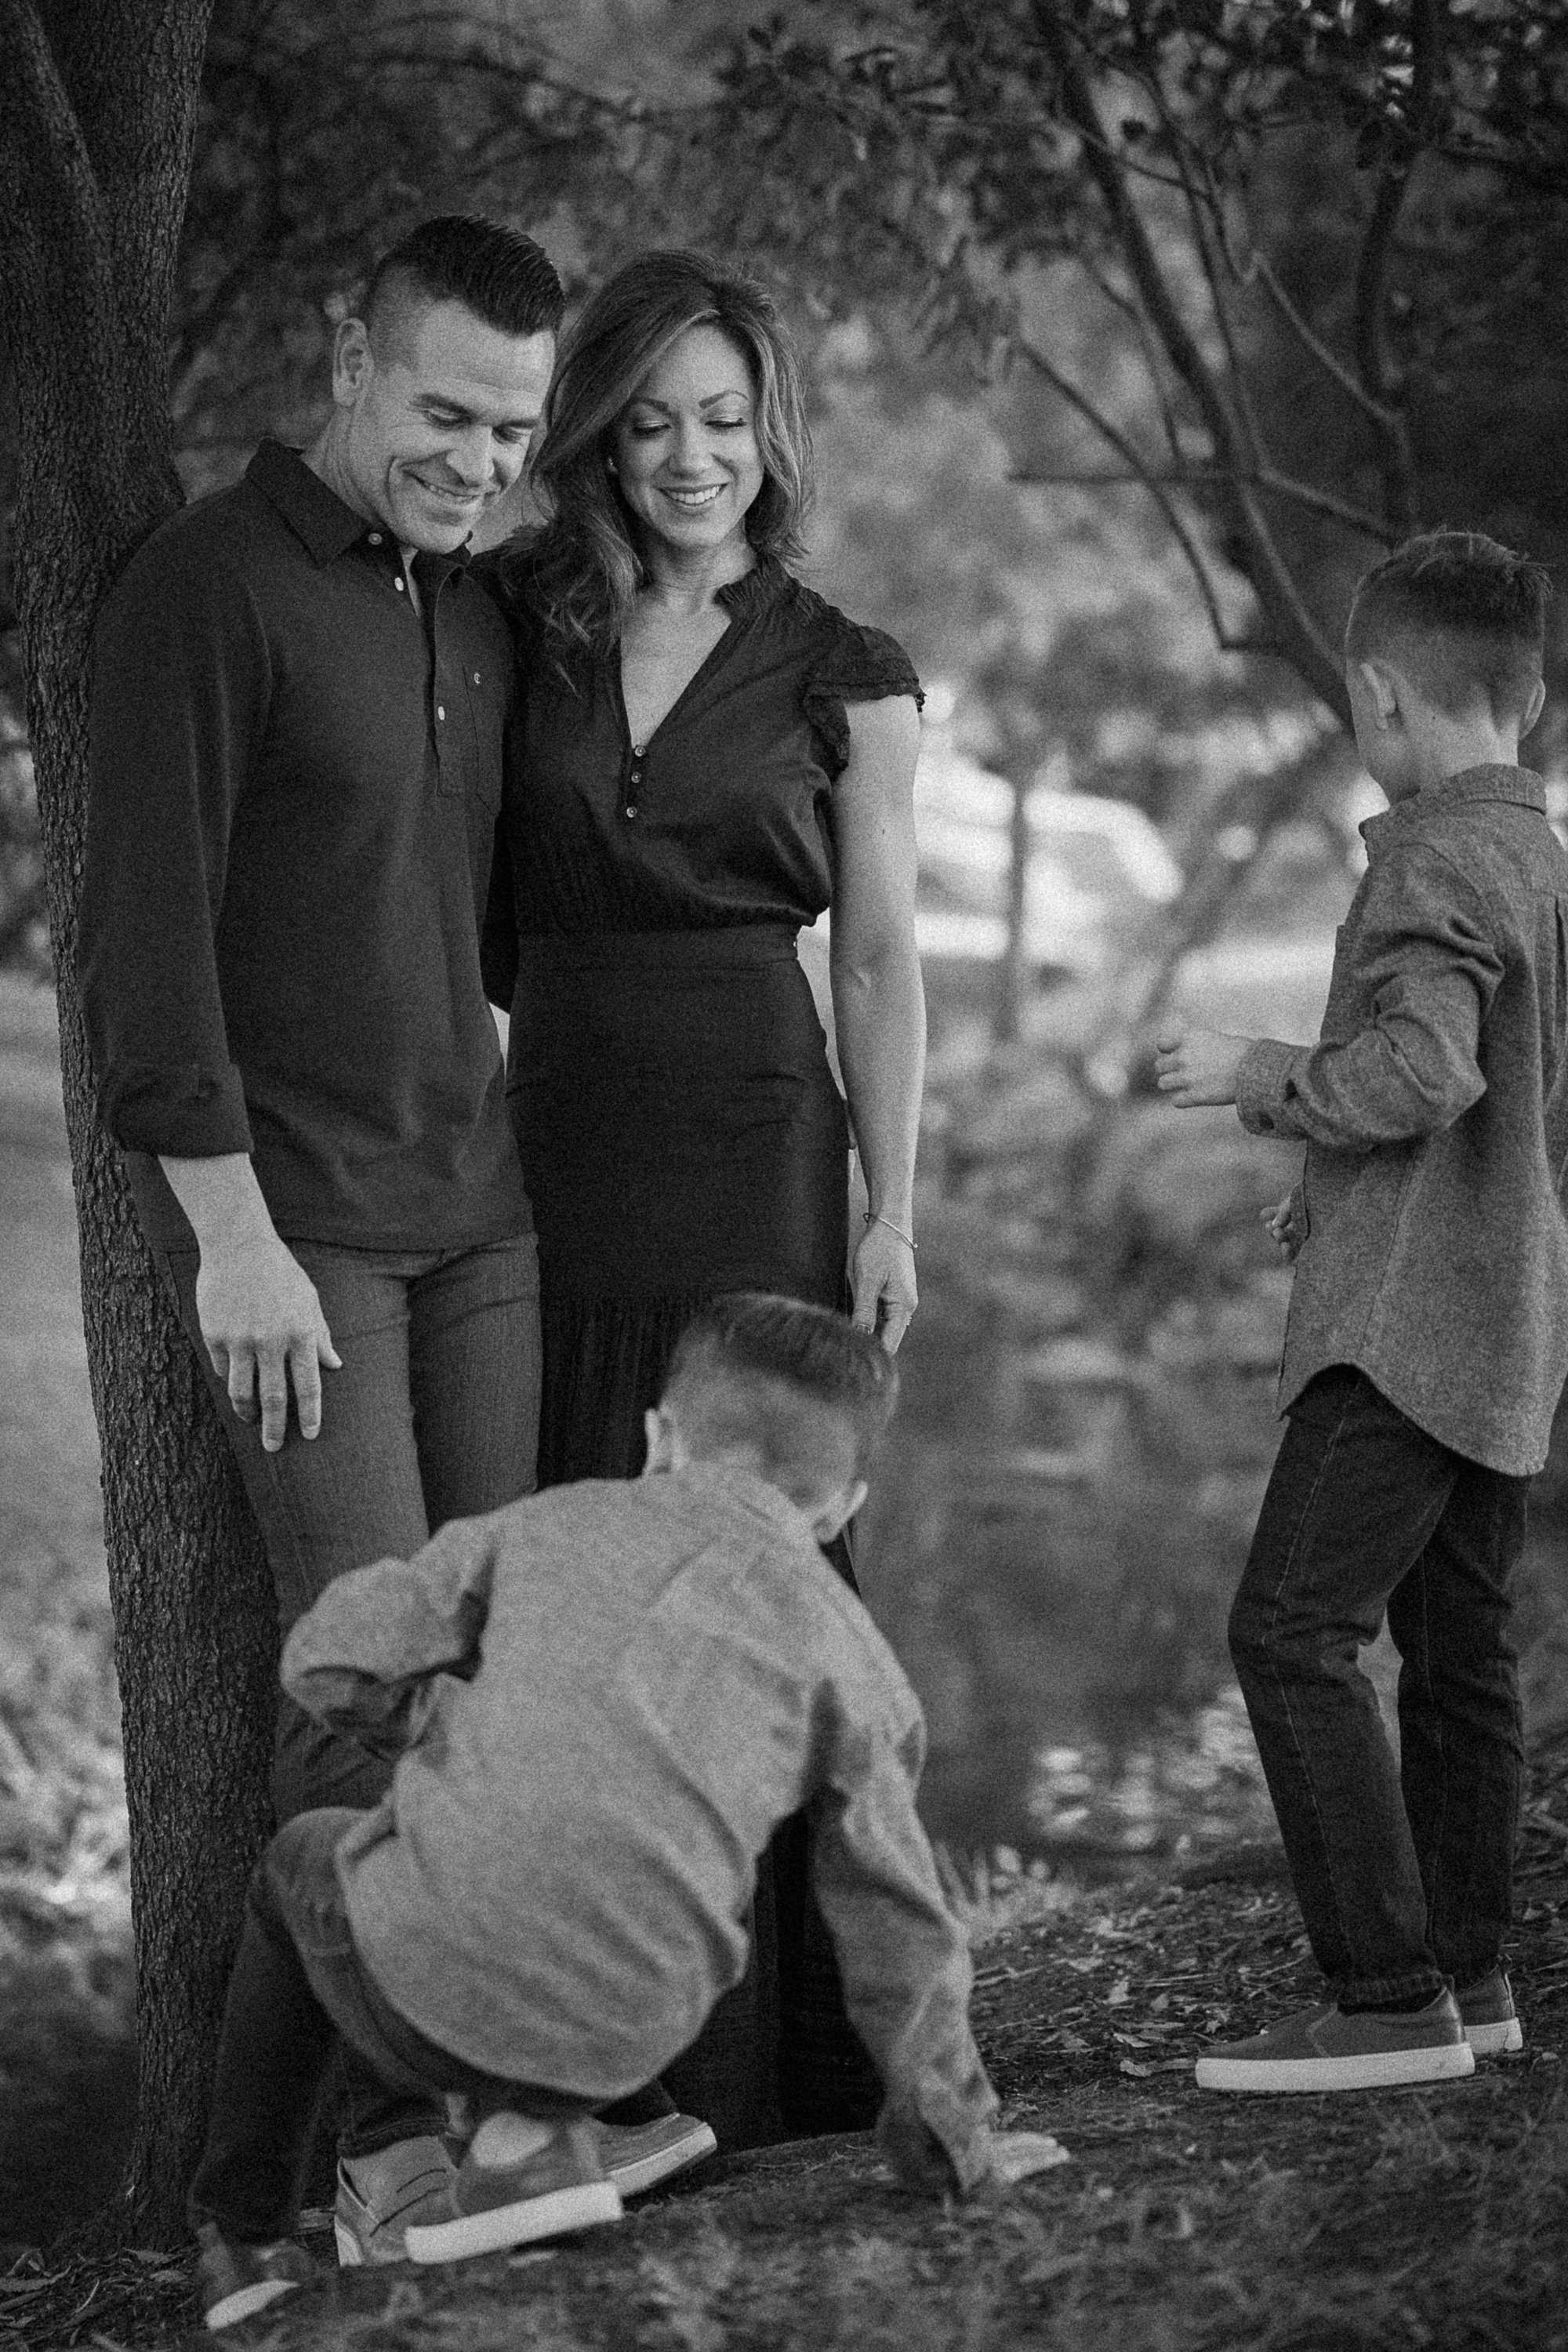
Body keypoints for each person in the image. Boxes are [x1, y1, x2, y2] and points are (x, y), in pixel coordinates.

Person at [77, 216, 570, 2259]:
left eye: (513, 429)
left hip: (478, 1221)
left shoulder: (469, 610)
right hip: (308, 1244)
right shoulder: (210, 584)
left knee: (487, 1680)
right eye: (445, 411)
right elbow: (141, 948)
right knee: (363, 1691)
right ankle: (328, 2176)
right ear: (346, 364)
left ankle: (441, 2128)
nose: (476, 459)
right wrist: (230, 1237)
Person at [185, 1294, 1069, 2332]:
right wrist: (955, 2146)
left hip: (431, 1981)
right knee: (614, 1883)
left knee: (304, 1859)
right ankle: (534, 2145)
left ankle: (239, 2240)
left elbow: (326, 1656)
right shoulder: (861, 1666)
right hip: (640, 2029)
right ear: (840, 1507)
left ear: (657, 1437)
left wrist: (442, 1729)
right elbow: (900, 1927)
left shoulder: (545, 1524)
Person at [481, 251, 927, 2147]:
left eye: (724, 421)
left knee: (744, 1588)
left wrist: (894, 1206)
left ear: (772, 436)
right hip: (553, 1136)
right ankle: (594, 2049)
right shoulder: (515, 619)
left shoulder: (845, 665)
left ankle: (776, 2070)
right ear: (595, 427)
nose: (687, 457)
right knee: (580, 1572)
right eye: (650, 418)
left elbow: (889, 957)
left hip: (762, 1139)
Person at [1154, 529, 1563, 2092]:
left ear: (1379, 693)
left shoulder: (1425, 860)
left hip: (1402, 1343)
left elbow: (1426, 1071)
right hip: (1509, 1316)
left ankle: (1383, 1998)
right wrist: (1333, 1190)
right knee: (1457, 1649)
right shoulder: (1536, 855)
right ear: (1521, 704)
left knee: (1290, 1633)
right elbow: (1510, 1114)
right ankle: (1469, 1984)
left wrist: (1258, 1077)